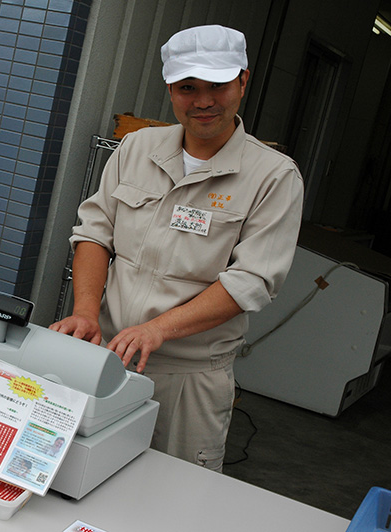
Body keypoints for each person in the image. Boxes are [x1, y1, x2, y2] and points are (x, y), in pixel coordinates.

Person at [49, 24, 304, 472]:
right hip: (104, 357)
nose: (203, 101)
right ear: (170, 89)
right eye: (188, 87)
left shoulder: (273, 177)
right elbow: (94, 231)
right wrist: (86, 311)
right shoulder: (136, 148)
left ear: (243, 81)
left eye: (217, 86)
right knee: (81, 476)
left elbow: (252, 281)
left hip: (189, 379)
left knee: (174, 500)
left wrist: (158, 329)